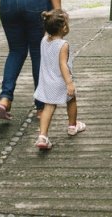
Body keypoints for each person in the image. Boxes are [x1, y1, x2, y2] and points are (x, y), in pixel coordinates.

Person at [33, 9, 86, 150]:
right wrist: (69, 83)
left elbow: (48, 31)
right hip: (61, 81)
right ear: (64, 28)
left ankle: (42, 136)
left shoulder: (44, 40)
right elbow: (63, 65)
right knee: (72, 99)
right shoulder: (63, 44)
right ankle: (72, 126)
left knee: (48, 107)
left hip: (47, 82)